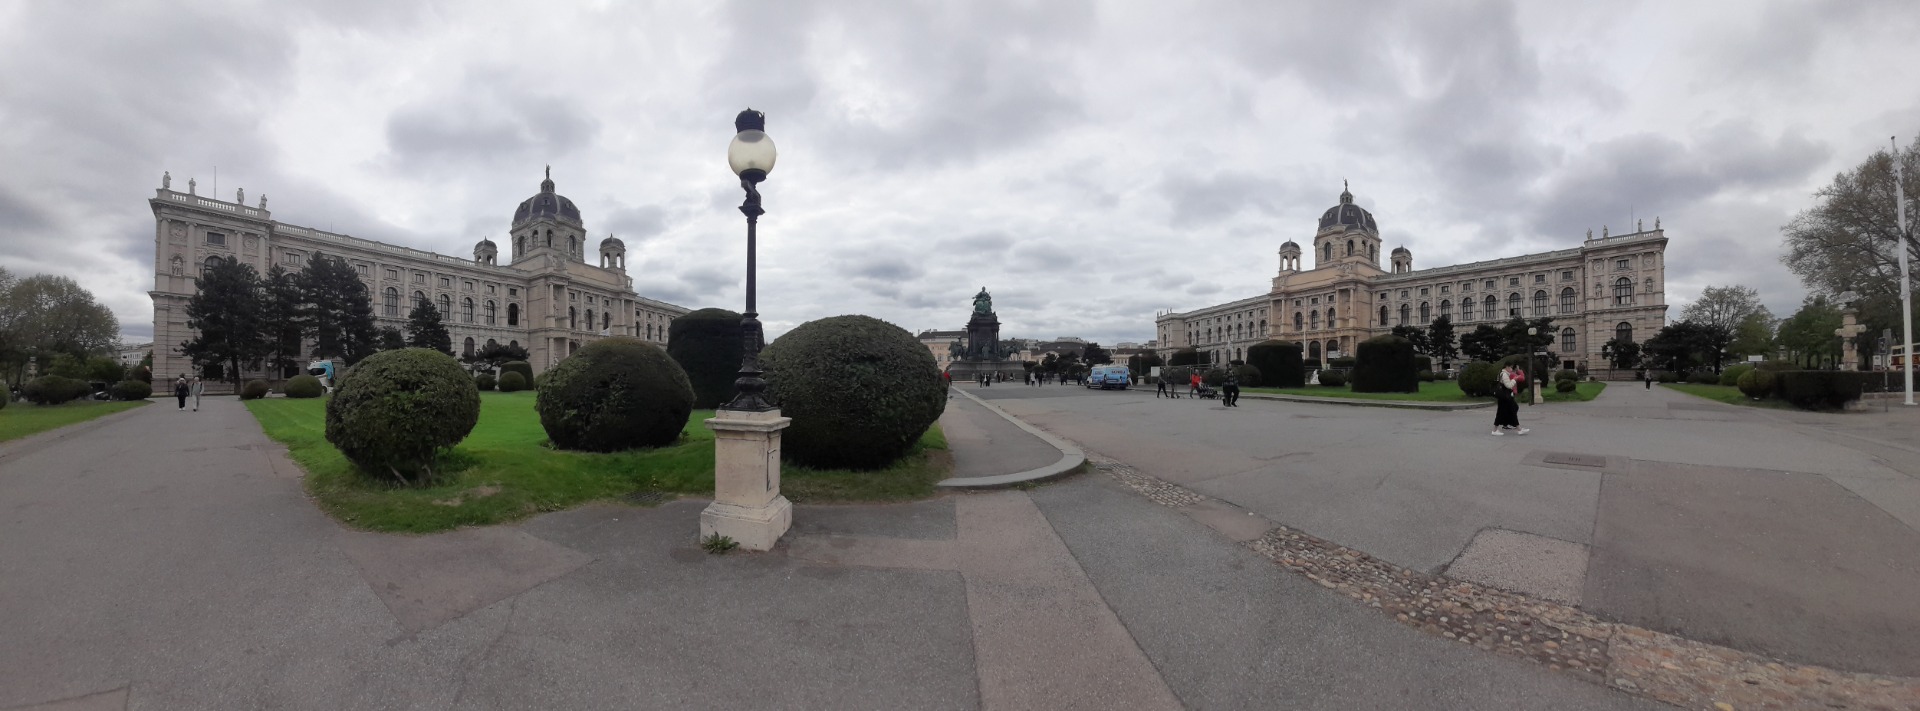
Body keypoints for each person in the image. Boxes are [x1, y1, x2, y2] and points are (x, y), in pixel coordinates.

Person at [1491, 366, 1528, 435]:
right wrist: (1514, 379)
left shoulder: (1503, 374)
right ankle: (1516, 428)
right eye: (1510, 367)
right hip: (1505, 396)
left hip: (1505, 396)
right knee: (1510, 410)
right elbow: (1509, 385)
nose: (1512, 369)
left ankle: (1516, 428)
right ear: (1507, 367)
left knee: (1508, 410)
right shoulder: (1504, 374)